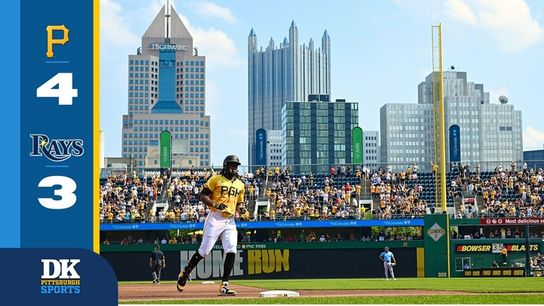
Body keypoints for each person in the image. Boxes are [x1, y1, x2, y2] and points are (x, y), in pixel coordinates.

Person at [177, 155, 246, 296]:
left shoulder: (240, 184)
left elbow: (239, 202)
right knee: (204, 251)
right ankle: (185, 273)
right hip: (215, 218)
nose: (234, 168)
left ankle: (224, 285)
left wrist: (241, 208)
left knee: (232, 249)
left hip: (230, 220)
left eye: (236, 166)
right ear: (226, 166)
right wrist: (215, 204)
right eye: (232, 165)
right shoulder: (216, 179)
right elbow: (202, 196)